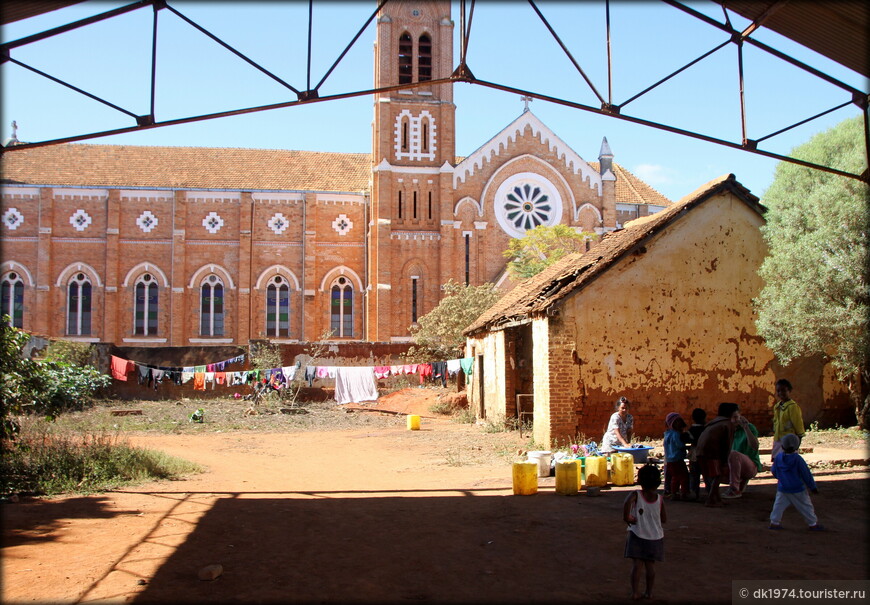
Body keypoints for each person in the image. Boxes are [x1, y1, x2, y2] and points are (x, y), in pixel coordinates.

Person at [623, 464, 667, 600]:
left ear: (639, 481)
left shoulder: (636, 495)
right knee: (650, 566)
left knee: (637, 565)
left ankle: (635, 592)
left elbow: (627, 502)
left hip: (638, 534)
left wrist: (627, 517)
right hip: (655, 537)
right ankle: (649, 592)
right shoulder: (660, 499)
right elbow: (664, 519)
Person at [769, 433, 824, 531]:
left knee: (778, 505)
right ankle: (812, 524)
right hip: (798, 488)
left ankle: (774, 522)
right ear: (797, 446)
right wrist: (813, 487)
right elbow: (806, 474)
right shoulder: (798, 459)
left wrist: (781, 478)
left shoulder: (778, 458)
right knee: (805, 506)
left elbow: (773, 470)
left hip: (783, 488)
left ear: (782, 446)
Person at [695, 402, 739, 507]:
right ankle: (710, 499)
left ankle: (717, 498)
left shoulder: (714, 422)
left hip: (701, 452)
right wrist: (725, 461)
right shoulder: (728, 424)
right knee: (718, 476)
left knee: (714, 475)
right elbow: (727, 444)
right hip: (711, 453)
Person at [722, 413, 762, 499]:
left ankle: (734, 489)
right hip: (734, 466)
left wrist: (746, 428)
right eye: (732, 418)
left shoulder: (749, 427)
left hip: (750, 466)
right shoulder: (727, 430)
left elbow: (754, 446)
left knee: (733, 454)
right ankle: (740, 482)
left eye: (736, 417)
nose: (735, 420)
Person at [771, 379, 805, 461]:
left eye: (783, 390)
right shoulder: (777, 407)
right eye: (778, 391)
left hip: (789, 442)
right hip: (778, 440)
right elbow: (775, 423)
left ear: (789, 391)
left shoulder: (792, 407)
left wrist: (797, 444)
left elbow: (798, 425)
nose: (780, 393)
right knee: (777, 462)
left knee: (788, 462)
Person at [663, 413, 689, 500]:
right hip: (677, 459)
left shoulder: (667, 434)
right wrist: (687, 447)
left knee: (675, 477)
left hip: (670, 460)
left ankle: (674, 493)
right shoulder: (676, 434)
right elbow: (680, 445)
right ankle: (684, 493)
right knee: (684, 476)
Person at [686, 408, 707, 501]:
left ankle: (694, 493)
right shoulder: (706, 429)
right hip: (705, 454)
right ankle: (710, 492)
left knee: (694, 475)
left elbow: (686, 439)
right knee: (707, 475)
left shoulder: (691, 429)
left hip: (694, 454)